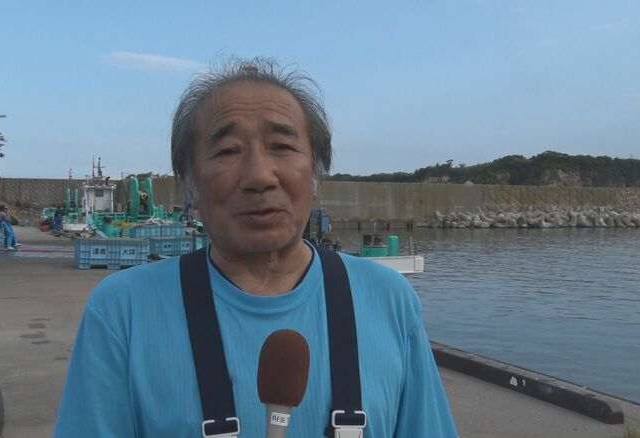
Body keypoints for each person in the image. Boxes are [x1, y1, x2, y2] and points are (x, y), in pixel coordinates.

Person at [55, 57, 457, 437]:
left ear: (315, 174)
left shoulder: (390, 300)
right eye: (228, 151)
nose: (260, 176)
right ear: (190, 183)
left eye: (282, 146)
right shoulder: (122, 312)